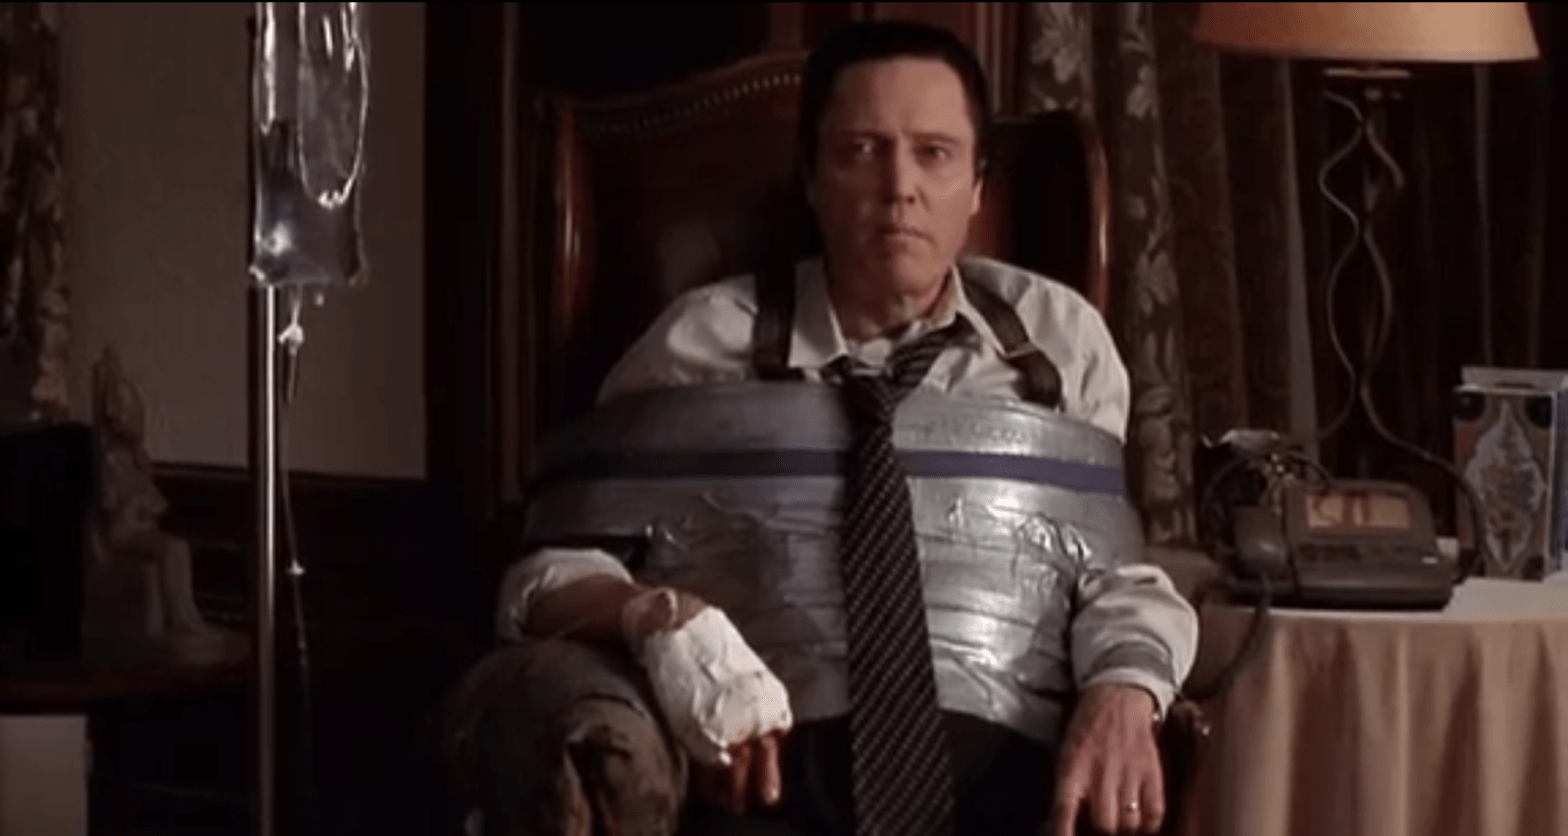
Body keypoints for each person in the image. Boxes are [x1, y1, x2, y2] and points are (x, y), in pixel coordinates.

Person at [496, 20, 1198, 836]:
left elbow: (1115, 573)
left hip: (1015, 785)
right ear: (810, 177)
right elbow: (548, 573)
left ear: (977, 186)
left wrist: (1127, 688)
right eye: (862, 151)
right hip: (760, 785)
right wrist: (659, 618)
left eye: (934, 154)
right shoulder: (699, 344)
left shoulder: (1060, 343)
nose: (899, 187)